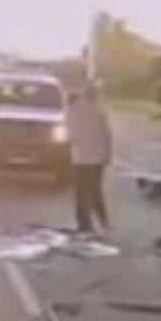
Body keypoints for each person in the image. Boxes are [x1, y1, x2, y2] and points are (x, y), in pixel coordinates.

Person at [66, 84, 113, 234]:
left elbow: (70, 136)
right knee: (95, 190)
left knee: (81, 192)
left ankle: (84, 224)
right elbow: (107, 135)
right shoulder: (100, 113)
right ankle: (103, 221)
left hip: (80, 157)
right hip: (97, 158)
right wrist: (107, 155)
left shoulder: (73, 112)